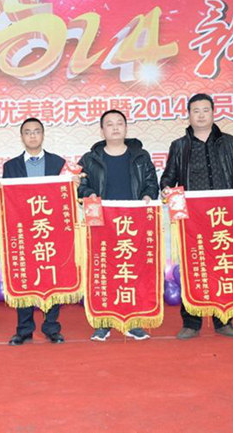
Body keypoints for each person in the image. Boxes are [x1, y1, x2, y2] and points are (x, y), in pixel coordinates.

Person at [160, 93, 233, 340]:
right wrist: (165, 188)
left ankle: (224, 320)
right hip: (193, 219)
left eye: (205, 110)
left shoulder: (229, 142)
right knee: (193, 267)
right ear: (188, 115)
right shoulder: (179, 146)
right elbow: (168, 177)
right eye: (195, 111)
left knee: (224, 265)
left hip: (223, 217)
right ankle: (191, 322)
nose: (200, 115)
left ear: (213, 112)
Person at [78, 109, 159, 342]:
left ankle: (133, 322)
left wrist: (148, 195)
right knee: (103, 271)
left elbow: (151, 183)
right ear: (102, 130)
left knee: (133, 270)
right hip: (101, 223)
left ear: (126, 127)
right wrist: (90, 193)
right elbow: (80, 186)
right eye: (109, 124)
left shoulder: (140, 156)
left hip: (133, 223)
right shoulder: (90, 159)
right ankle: (103, 322)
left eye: (119, 123)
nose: (115, 127)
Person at [0, 117, 69, 346]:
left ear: (43, 135)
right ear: (22, 137)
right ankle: (24, 329)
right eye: (27, 132)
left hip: (51, 231)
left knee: (52, 277)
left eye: (36, 131)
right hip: (24, 232)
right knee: (24, 277)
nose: (32, 136)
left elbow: (65, 197)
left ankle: (52, 327)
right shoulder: (11, 167)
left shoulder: (59, 163)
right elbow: (8, 201)